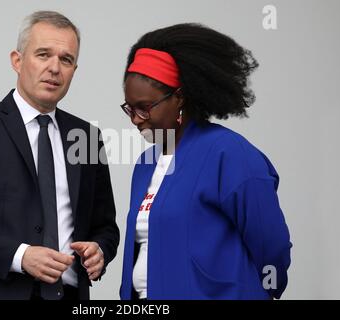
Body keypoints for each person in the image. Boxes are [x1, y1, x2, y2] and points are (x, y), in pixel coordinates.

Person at [0, 11, 119, 300]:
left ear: (74, 70)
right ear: (17, 61)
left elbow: (105, 226)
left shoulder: (87, 137)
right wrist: (21, 256)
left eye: (66, 59)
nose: (55, 68)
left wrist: (100, 250)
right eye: (43, 54)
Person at [119, 23, 292, 300]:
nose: (136, 118)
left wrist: (264, 291)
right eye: (129, 108)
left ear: (179, 98)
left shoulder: (229, 153)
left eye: (145, 107)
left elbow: (270, 243)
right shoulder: (145, 164)